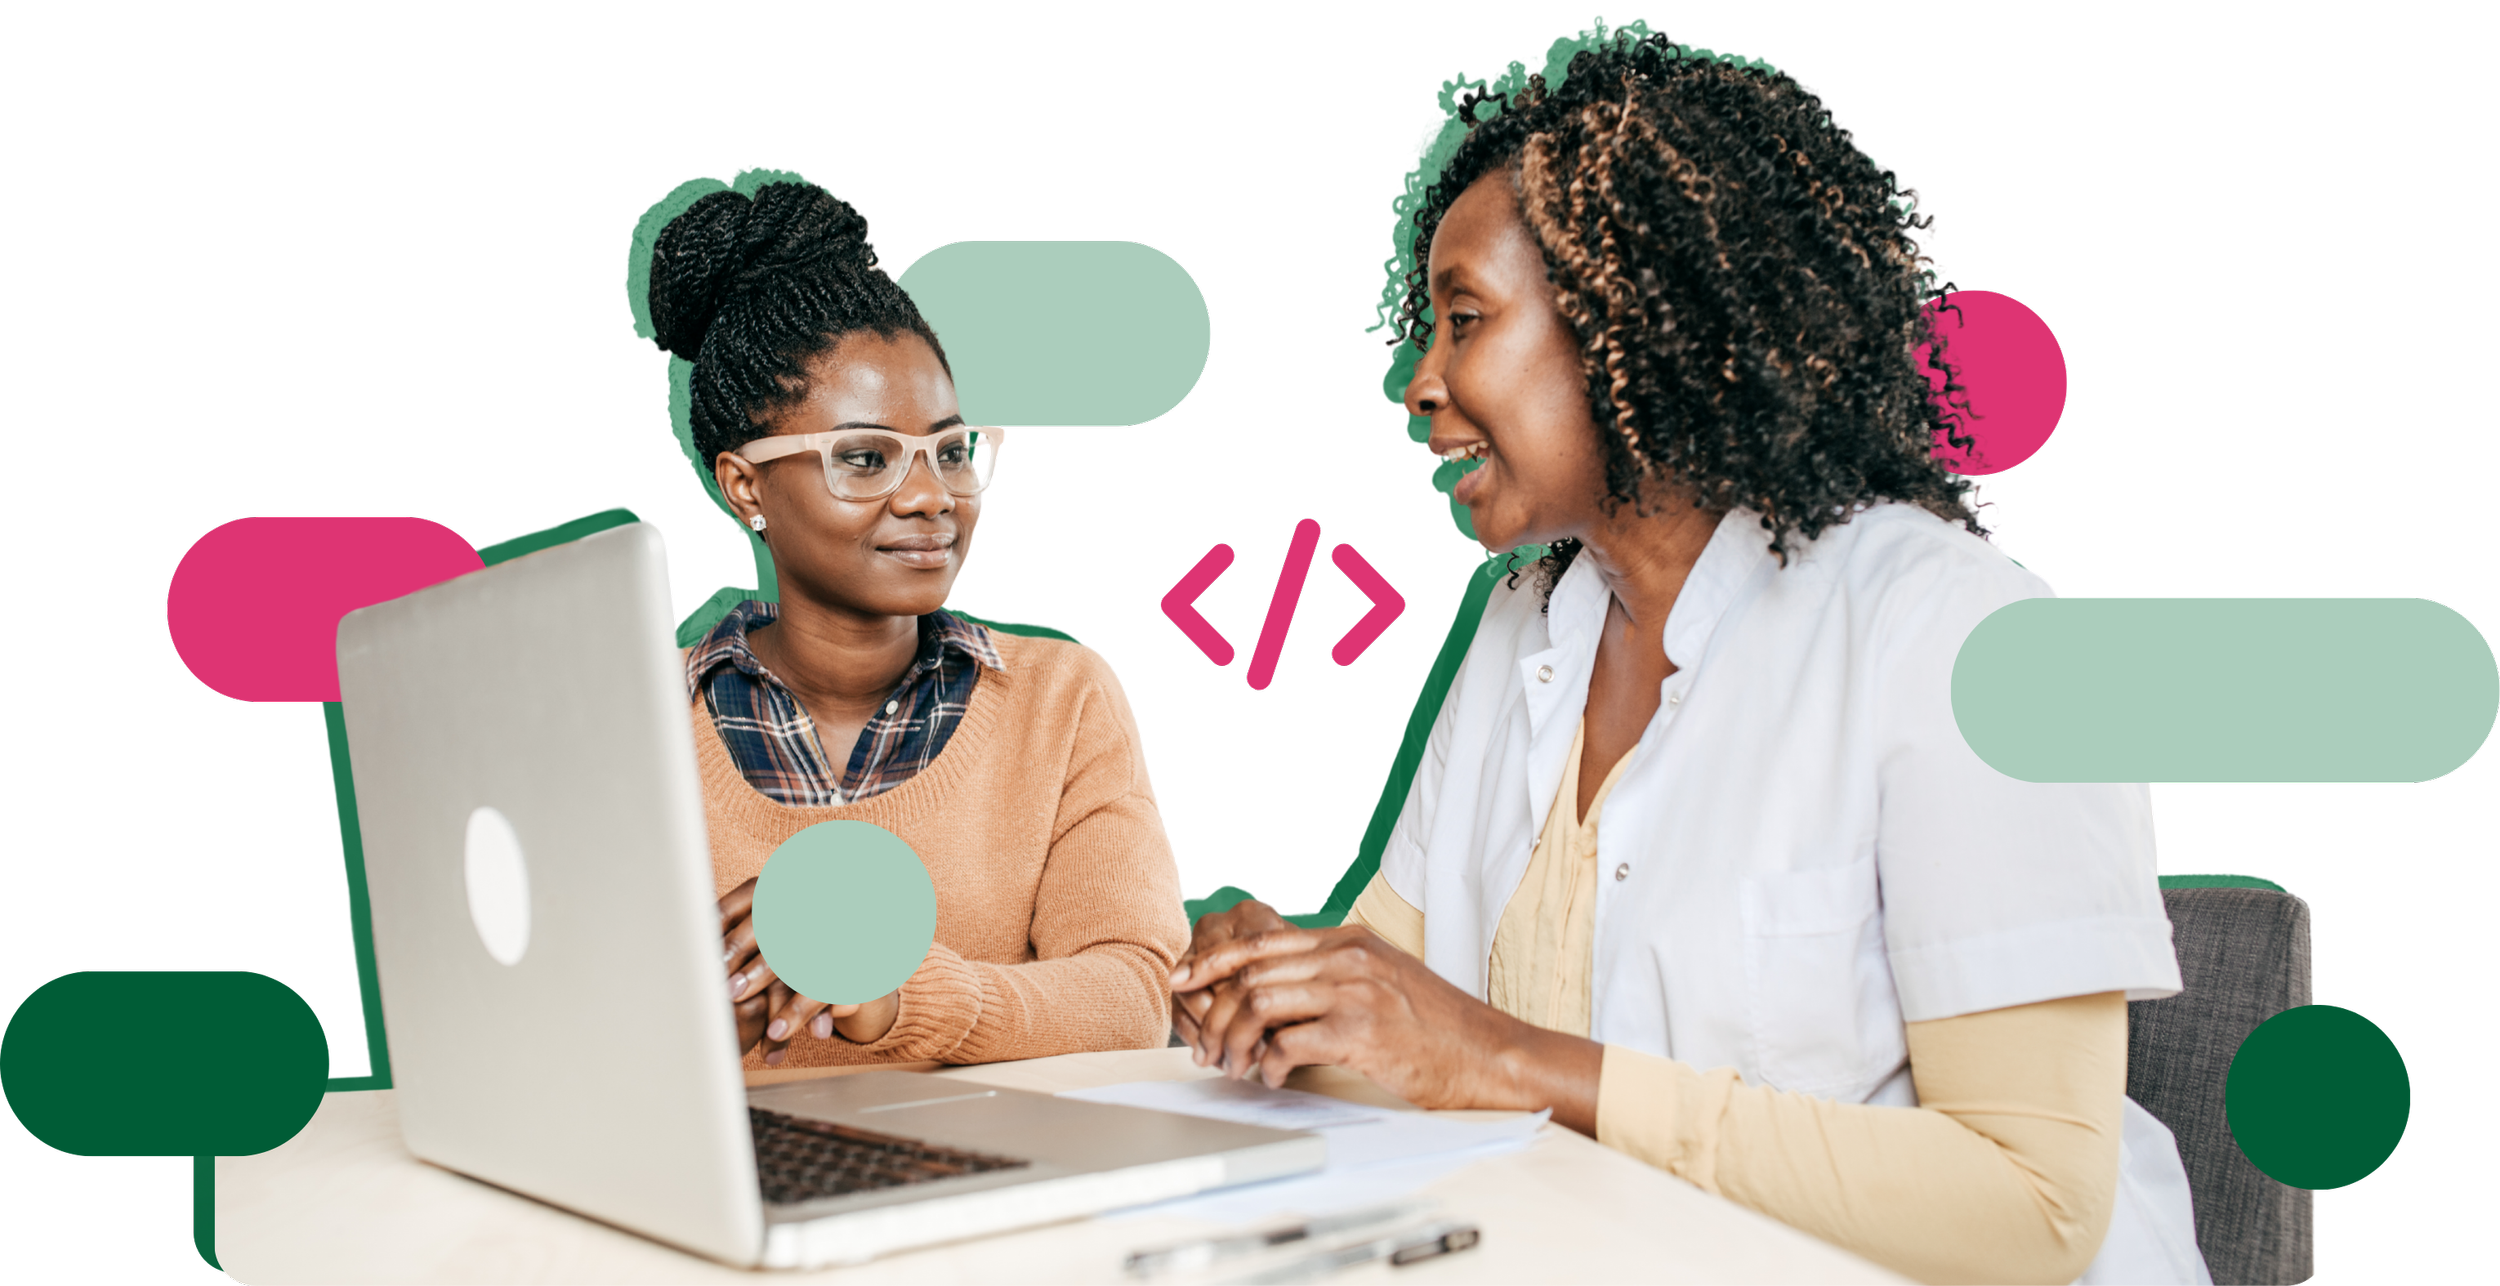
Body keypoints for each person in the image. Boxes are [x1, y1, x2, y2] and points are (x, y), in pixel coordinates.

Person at [1171, 36, 2212, 1286]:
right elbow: (1398, 1019)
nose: (1419, 381)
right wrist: (1278, 987)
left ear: (1625, 317)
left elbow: (2033, 1206)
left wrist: (1502, 1057)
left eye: (1464, 321)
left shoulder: (1962, 634)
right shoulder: (1521, 627)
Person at [642, 180, 1188, 1071]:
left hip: (988, 1159)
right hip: (726, 1157)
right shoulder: (633, 722)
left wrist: (890, 990)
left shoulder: (1062, 699)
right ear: (744, 486)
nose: (933, 495)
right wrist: (685, 1029)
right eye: (865, 458)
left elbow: (1133, 1000)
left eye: (951, 450)